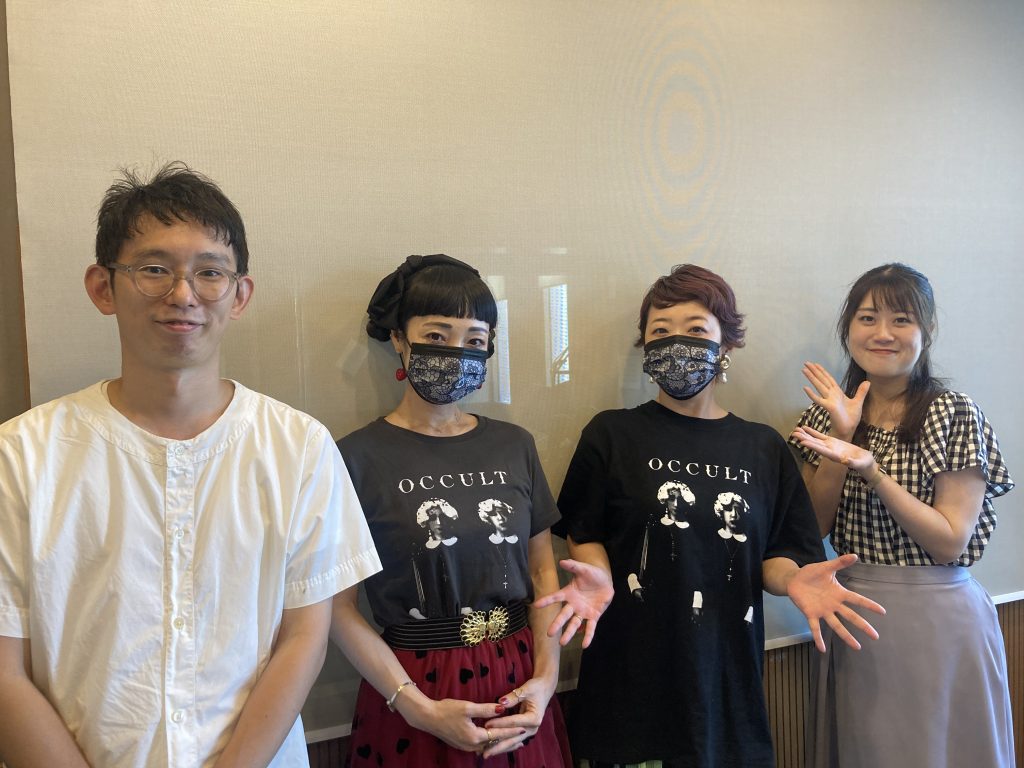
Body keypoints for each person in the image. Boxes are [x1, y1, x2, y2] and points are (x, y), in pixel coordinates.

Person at [0, 163, 381, 767]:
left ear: (240, 294)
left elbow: (304, 636)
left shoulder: (299, 446)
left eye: (210, 272)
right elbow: (5, 668)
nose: (183, 294)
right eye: (154, 269)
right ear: (103, 287)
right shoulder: (20, 455)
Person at [538, 263, 884, 768]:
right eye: (660, 332)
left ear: (727, 346)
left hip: (726, 682)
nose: (676, 344)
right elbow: (584, 531)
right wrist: (599, 575)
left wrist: (794, 581)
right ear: (644, 347)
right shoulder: (611, 434)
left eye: (696, 330)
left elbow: (776, 556)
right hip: (627, 675)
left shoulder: (762, 447)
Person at [330, 254, 573, 767]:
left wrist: (547, 677)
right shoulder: (354, 457)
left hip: (519, 681)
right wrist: (417, 708)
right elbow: (337, 607)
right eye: (437, 336)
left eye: (475, 341)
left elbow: (542, 572)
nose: (457, 353)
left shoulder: (515, 445)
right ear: (399, 339)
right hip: (412, 687)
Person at [790, 263, 1015, 768]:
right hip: (851, 611)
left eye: (901, 319)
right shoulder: (825, 414)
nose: (883, 333)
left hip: (940, 618)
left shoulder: (954, 412)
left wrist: (871, 470)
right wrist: (842, 437)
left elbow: (950, 541)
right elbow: (814, 528)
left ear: (926, 330)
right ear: (848, 328)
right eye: (868, 318)